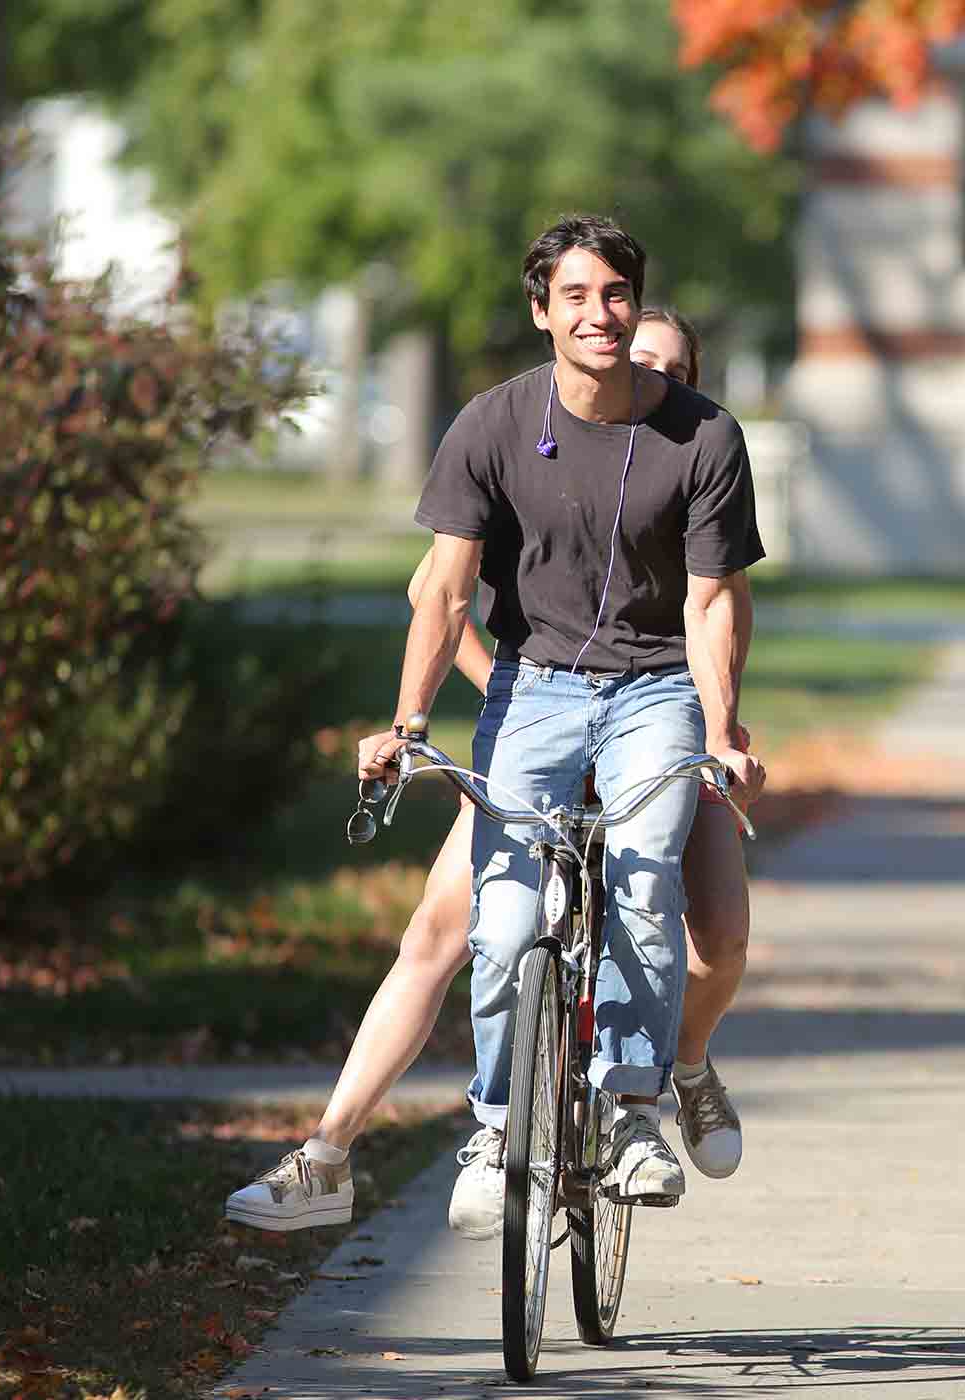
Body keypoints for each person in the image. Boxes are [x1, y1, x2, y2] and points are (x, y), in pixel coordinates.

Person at [226, 223, 764, 1237]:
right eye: (578, 298)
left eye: (620, 301)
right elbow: (442, 594)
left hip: (655, 697)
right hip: (538, 692)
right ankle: (405, 1142)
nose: (605, 321)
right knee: (483, 921)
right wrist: (413, 720)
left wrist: (723, 728)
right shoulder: (494, 424)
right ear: (541, 310)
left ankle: (651, 1091)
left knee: (684, 908)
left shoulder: (702, 439)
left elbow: (713, 609)